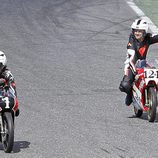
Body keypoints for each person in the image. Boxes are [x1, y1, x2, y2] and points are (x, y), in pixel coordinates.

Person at [119, 18, 158, 106]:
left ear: (144, 32)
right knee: (125, 85)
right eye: (135, 31)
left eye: (140, 31)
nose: (137, 33)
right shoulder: (131, 42)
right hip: (130, 64)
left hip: (143, 63)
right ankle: (130, 94)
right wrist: (136, 72)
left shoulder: (147, 38)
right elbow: (132, 59)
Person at [0, 51, 19, 116]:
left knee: (12, 84)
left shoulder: (7, 73)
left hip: (2, 95)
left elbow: (12, 88)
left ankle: (15, 105)